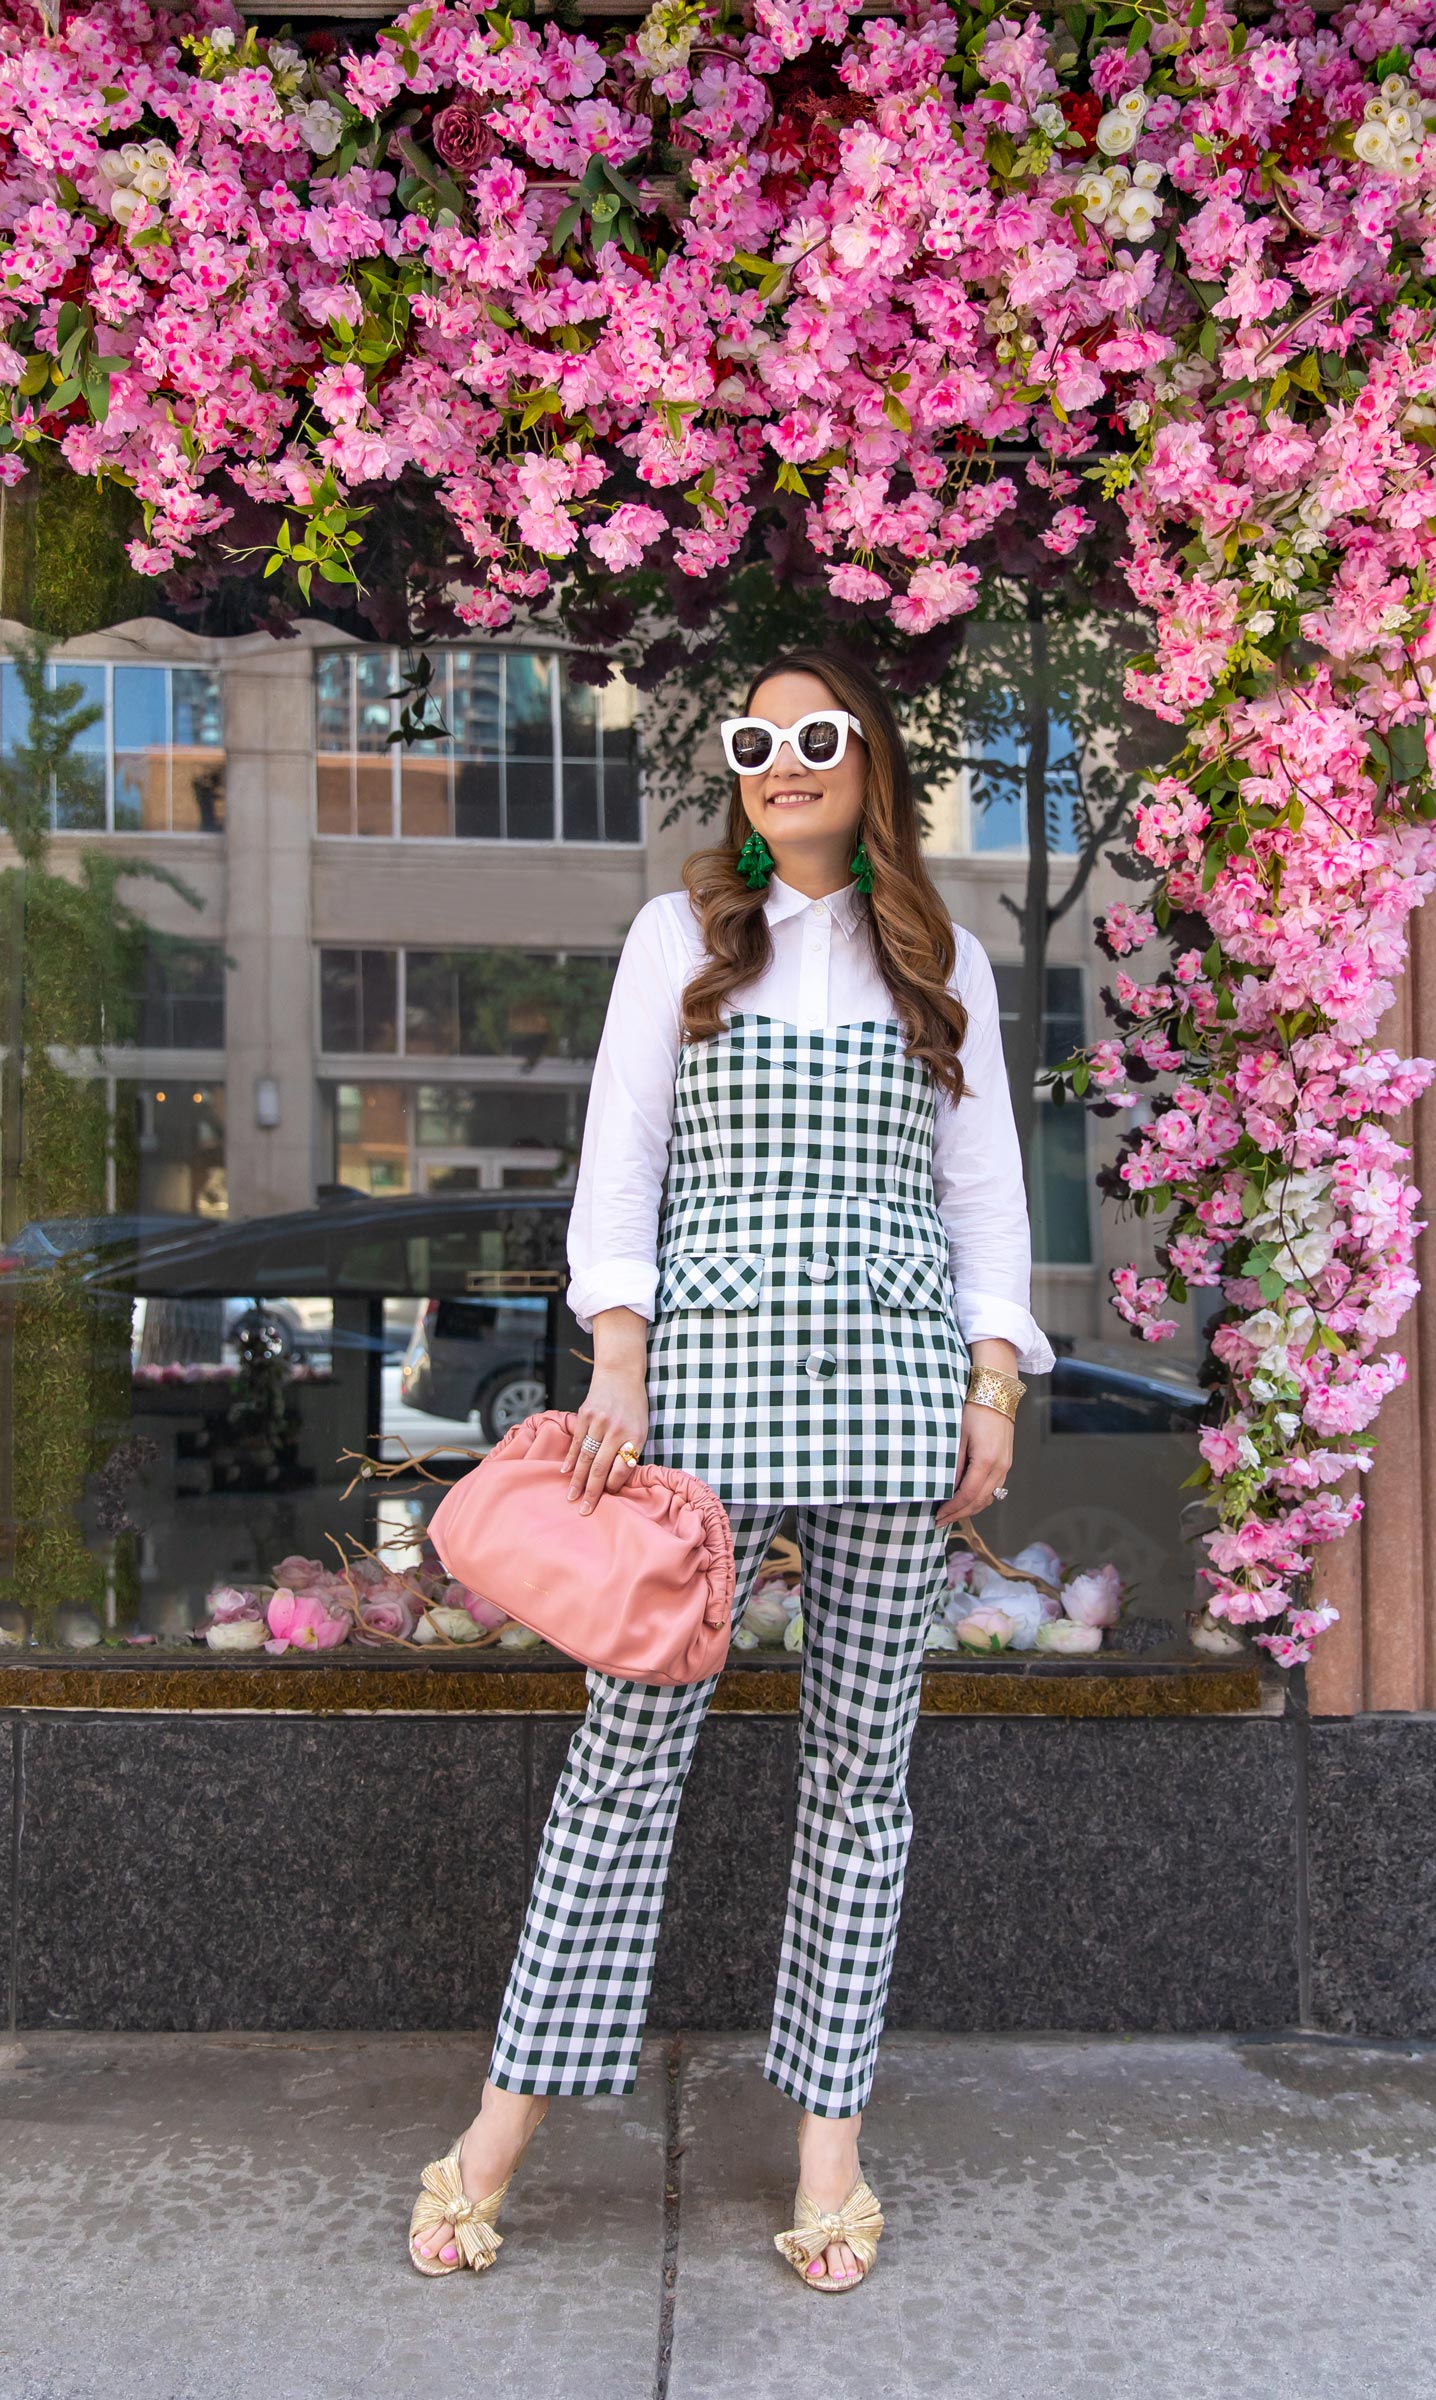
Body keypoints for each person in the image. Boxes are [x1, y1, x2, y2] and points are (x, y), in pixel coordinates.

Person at [408, 648, 1053, 2291]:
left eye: (814, 737)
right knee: (622, 1769)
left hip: (899, 1402)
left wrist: (994, 1385)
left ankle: (829, 2143)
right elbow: (618, 1160)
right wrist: (615, 1358)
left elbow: (984, 1195)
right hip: (702, 1398)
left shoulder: (946, 962)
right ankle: (499, 2128)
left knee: (862, 1781)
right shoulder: (678, 937)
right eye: (755, 741)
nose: (780, 761)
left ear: (871, 763)